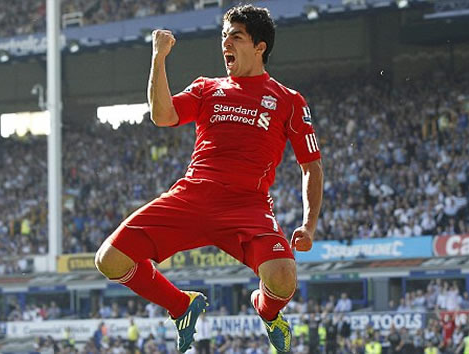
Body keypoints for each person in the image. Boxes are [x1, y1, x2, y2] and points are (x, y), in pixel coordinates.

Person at [94, 4, 323, 353]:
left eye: (236, 36)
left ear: (260, 47)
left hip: (247, 205)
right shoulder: (207, 88)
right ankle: (181, 305)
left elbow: (311, 167)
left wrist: (308, 225)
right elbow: (162, 115)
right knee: (109, 259)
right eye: (223, 36)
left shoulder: (288, 100)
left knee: (283, 278)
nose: (225, 43)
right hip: (192, 197)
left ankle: (266, 311)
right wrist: (158, 58)